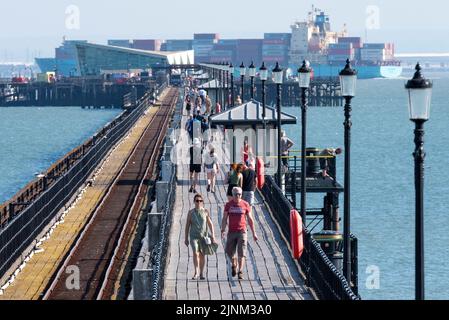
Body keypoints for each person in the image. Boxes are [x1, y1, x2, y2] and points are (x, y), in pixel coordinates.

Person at [221, 187, 258, 280]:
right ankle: (234, 263)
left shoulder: (245, 204)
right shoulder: (228, 205)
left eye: (240, 194)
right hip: (231, 231)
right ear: (232, 195)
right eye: (236, 194)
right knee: (229, 251)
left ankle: (240, 271)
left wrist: (254, 233)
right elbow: (225, 218)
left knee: (242, 253)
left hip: (242, 231)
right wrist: (223, 230)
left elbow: (250, 219)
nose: (238, 196)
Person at [185, 194, 216, 280]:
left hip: (203, 237)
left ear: (202, 202)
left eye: (200, 201)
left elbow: (210, 224)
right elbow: (187, 225)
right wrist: (186, 238)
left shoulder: (205, 211)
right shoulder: (191, 212)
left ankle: (202, 273)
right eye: (197, 201)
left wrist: (213, 235)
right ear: (194, 202)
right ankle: (196, 272)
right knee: (195, 252)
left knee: (202, 255)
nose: (198, 202)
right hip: (194, 236)